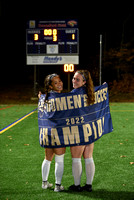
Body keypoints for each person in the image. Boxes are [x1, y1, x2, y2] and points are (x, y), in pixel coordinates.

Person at [69, 70, 95, 192]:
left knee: (76, 158)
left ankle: (77, 185)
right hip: (90, 129)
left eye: (77, 79)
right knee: (88, 157)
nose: (74, 81)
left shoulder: (73, 94)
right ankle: (89, 185)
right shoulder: (91, 93)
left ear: (84, 82)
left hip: (78, 130)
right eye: (74, 78)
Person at [39, 73, 66, 192]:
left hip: (46, 132)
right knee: (59, 159)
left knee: (47, 158)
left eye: (59, 81)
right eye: (55, 83)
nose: (59, 84)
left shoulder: (44, 97)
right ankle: (57, 185)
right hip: (57, 132)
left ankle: (44, 183)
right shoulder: (61, 98)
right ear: (50, 86)